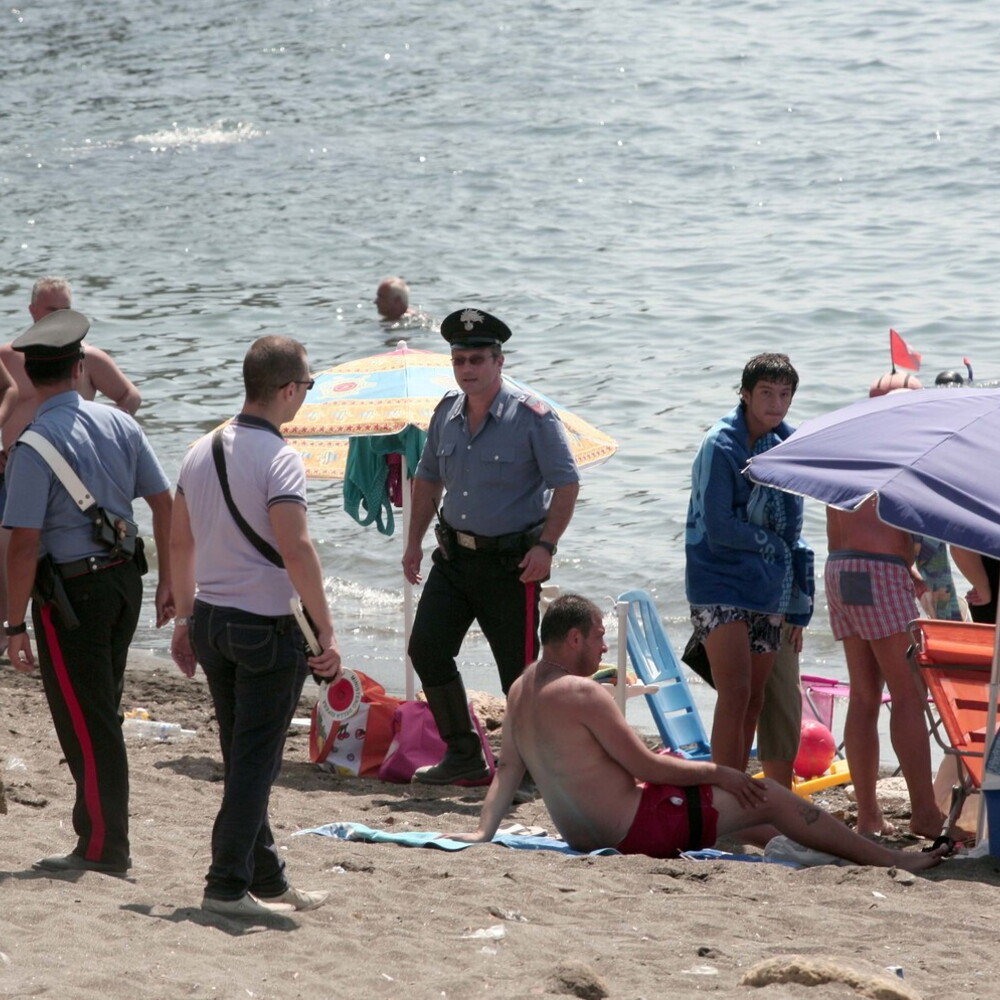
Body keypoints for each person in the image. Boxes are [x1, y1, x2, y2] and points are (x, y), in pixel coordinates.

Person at [450, 594, 947, 872]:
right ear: (574, 637)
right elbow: (645, 766)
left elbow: (509, 769)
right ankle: (889, 858)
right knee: (768, 793)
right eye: (600, 635)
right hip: (635, 832)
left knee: (746, 820)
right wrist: (720, 773)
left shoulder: (520, 690)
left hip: (583, 834)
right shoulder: (583, 693)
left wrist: (481, 832)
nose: (604, 645)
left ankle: (818, 848)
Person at [170, 335, 342, 919]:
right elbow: (296, 548)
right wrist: (327, 630)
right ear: (289, 389)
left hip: (213, 619)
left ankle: (265, 878)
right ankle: (224, 886)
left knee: (245, 754)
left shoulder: (199, 449)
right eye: (308, 386)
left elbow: (180, 539)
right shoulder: (280, 457)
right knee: (255, 763)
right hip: (265, 626)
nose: (305, 397)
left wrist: (186, 618)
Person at [3, 309, 173, 875]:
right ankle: (98, 833)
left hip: (71, 596)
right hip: (126, 583)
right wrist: (170, 578)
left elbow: (23, 543)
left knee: (87, 719)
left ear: (31, 377)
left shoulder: (33, 445)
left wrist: (14, 623)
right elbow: (164, 503)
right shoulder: (121, 425)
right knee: (99, 711)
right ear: (79, 368)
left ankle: (103, 846)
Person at [402, 308, 580, 786]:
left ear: (499, 362)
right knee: (427, 649)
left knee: (518, 675)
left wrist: (546, 546)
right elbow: (427, 479)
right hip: (455, 558)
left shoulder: (532, 417)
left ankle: (528, 768)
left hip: (511, 564)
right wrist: (413, 543)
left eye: (477, 359)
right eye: (459, 359)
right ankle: (463, 754)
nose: (467, 369)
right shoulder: (446, 413)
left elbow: (566, 484)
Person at [685, 353, 814, 778]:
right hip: (718, 580)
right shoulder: (721, 443)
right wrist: (771, 543)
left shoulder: (787, 447)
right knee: (735, 692)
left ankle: (739, 794)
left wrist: (799, 598)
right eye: (765, 392)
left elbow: (796, 531)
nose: (776, 403)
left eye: (784, 394)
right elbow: (718, 525)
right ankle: (723, 795)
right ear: (744, 394)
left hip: (767, 587)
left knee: (755, 699)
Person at [0, 276, 141, 657]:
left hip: (69, 479)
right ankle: (11, 632)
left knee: (55, 558)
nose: (60, 316)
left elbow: (130, 394)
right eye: (51, 310)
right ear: (32, 312)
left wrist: (104, 435)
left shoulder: (88, 358)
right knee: (10, 558)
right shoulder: (8, 357)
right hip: (18, 470)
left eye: (66, 309)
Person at [826, 498, 947, 839]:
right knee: (909, 694)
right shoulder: (893, 448)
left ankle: (868, 815)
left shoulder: (842, 452)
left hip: (839, 565)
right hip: (878, 569)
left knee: (864, 696)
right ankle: (924, 811)